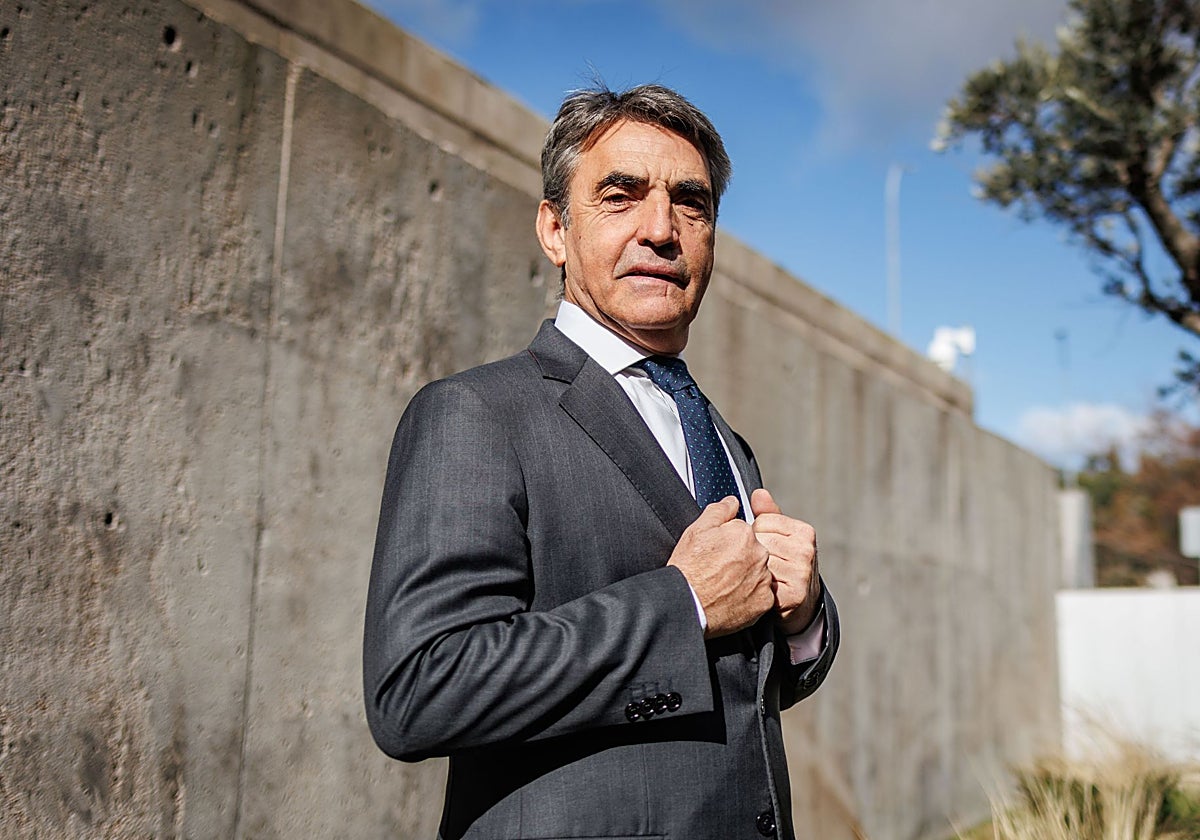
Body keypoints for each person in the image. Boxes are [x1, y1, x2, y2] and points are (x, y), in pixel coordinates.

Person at [364, 83, 839, 840]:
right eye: (621, 196)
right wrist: (682, 606)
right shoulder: (477, 413)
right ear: (555, 230)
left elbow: (739, 684)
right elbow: (420, 687)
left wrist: (803, 616)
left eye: (691, 204)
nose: (662, 230)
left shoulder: (723, 438)